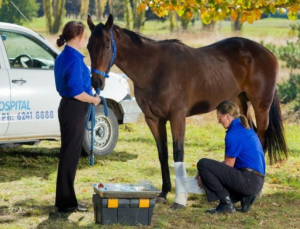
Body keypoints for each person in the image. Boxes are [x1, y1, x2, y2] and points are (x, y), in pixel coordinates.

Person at [54, 21, 101, 212]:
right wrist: (93, 100)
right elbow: (75, 92)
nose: (85, 40)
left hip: (68, 108)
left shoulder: (65, 56)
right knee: (70, 156)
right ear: (76, 37)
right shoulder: (73, 59)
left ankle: (65, 201)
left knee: (68, 154)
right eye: (84, 36)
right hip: (74, 107)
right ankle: (66, 203)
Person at [195, 101, 265, 214]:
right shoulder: (245, 128)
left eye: (219, 117)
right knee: (211, 170)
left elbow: (228, 165)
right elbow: (230, 165)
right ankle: (246, 197)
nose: (218, 121)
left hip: (248, 181)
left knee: (203, 164)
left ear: (227, 116)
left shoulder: (234, 134)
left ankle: (226, 205)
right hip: (256, 181)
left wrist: (204, 174)